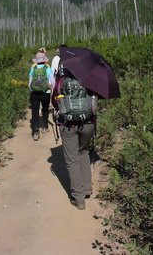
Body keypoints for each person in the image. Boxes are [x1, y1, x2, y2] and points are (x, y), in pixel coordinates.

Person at [52, 64, 96, 210]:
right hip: (88, 123)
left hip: (67, 125)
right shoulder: (89, 79)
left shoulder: (61, 80)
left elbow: (54, 101)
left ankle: (78, 198)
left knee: (72, 161)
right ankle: (87, 188)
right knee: (83, 152)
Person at [28, 52, 55, 141]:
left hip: (34, 93)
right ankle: (44, 127)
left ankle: (35, 132)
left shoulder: (33, 68)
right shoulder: (48, 68)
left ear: (36, 61)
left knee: (35, 112)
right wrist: (52, 88)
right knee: (45, 109)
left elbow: (30, 83)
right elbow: (53, 81)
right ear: (44, 61)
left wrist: (32, 90)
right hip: (45, 93)